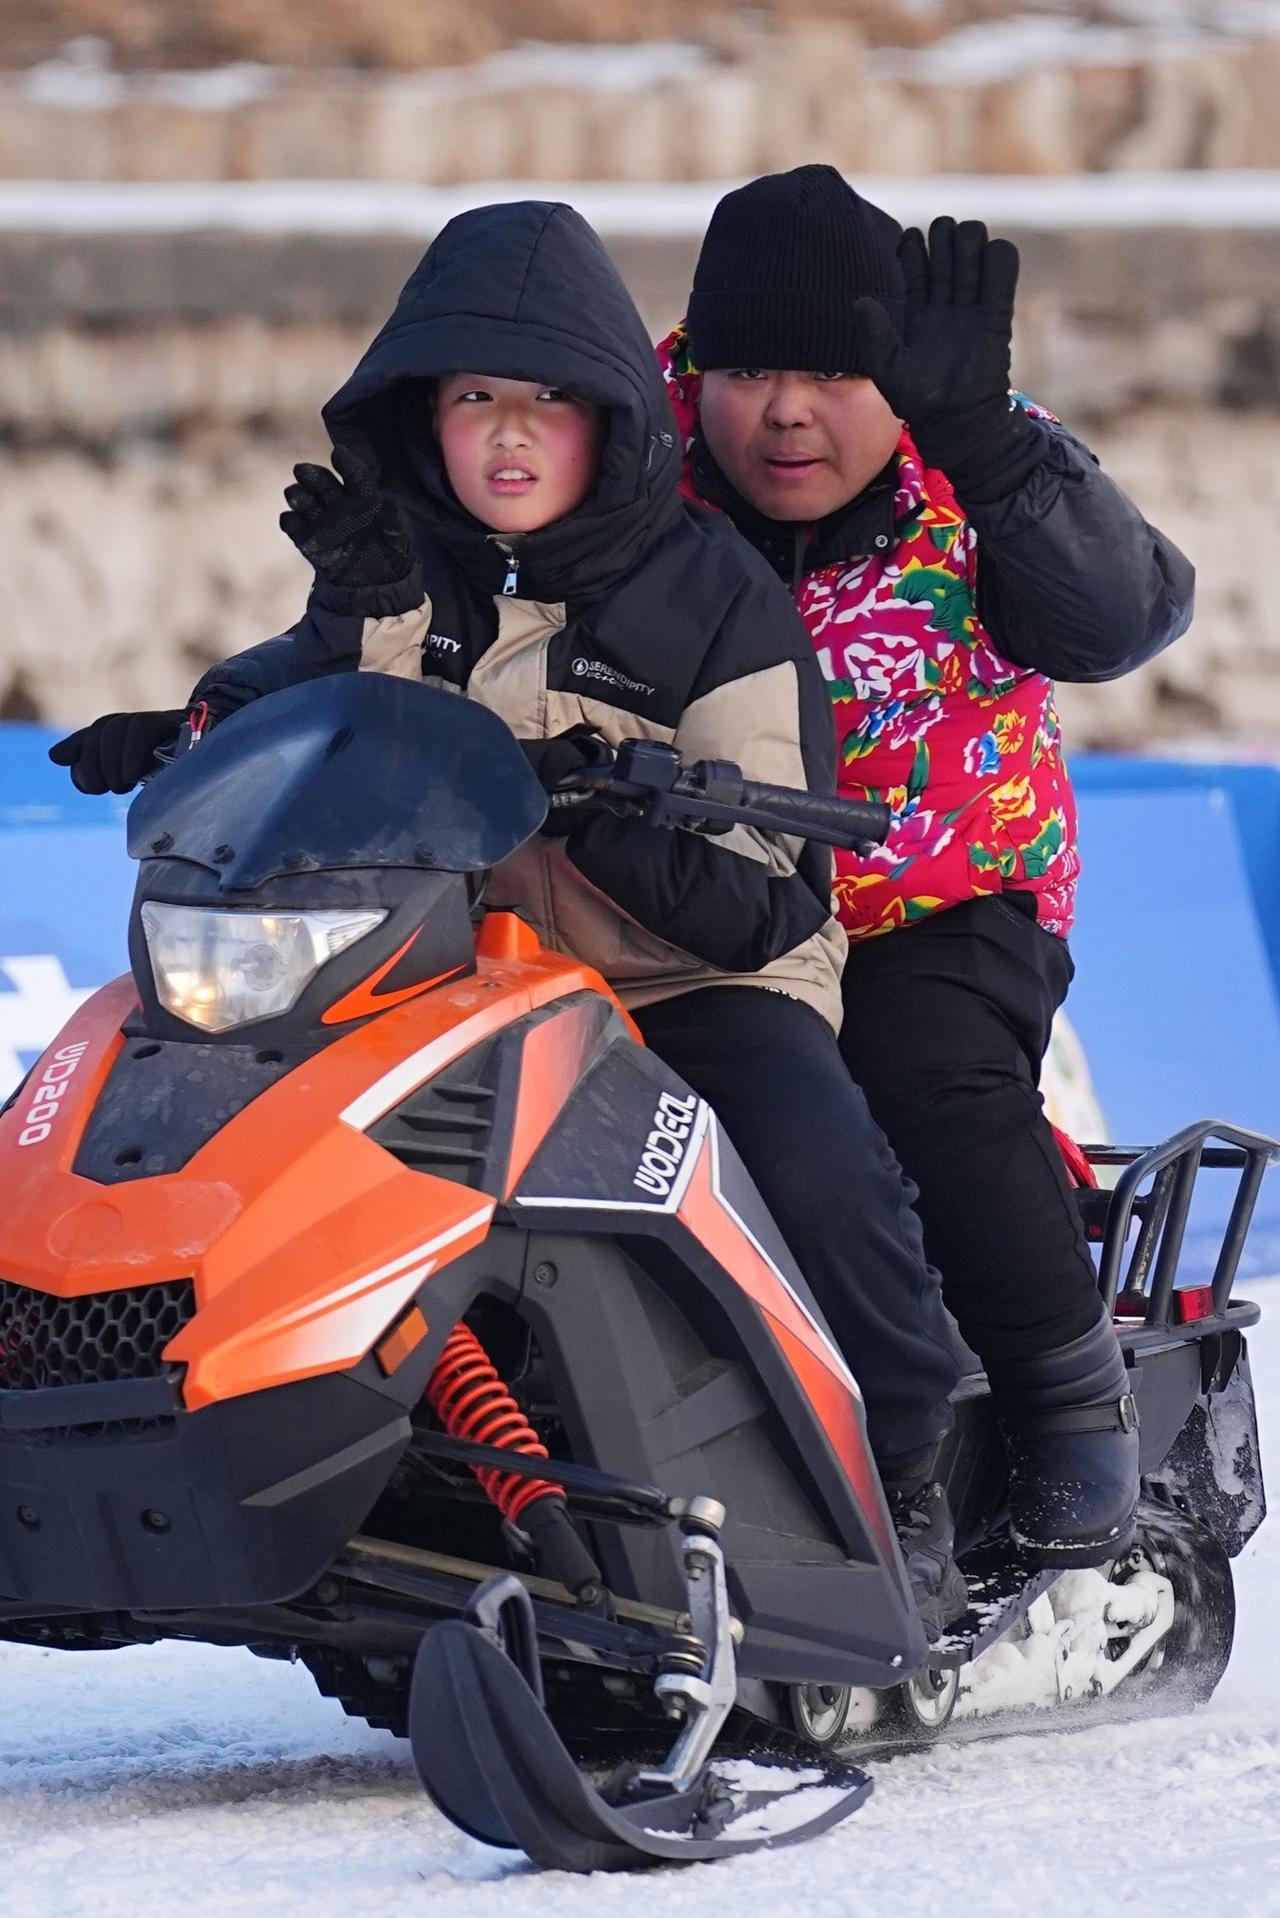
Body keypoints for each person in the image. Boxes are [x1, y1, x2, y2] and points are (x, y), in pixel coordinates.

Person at [49, 199, 968, 1631]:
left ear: (612, 416)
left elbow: (764, 898)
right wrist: (196, 727)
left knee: (807, 1144)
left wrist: (600, 804)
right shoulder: (396, 567)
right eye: (476, 398)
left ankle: (914, 1459)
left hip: (682, 983)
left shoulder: (715, 599)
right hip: (446, 975)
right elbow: (304, 704)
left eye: (549, 400)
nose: (511, 436)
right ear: (423, 414)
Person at [659, 165, 1196, 1568]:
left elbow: (1127, 615)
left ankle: (1067, 1395)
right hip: (689, 903)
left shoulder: (972, 459)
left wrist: (986, 446)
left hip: (939, 892)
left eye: (835, 373)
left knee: (921, 1073)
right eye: (750, 370)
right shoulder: (626, 466)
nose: (787, 410)